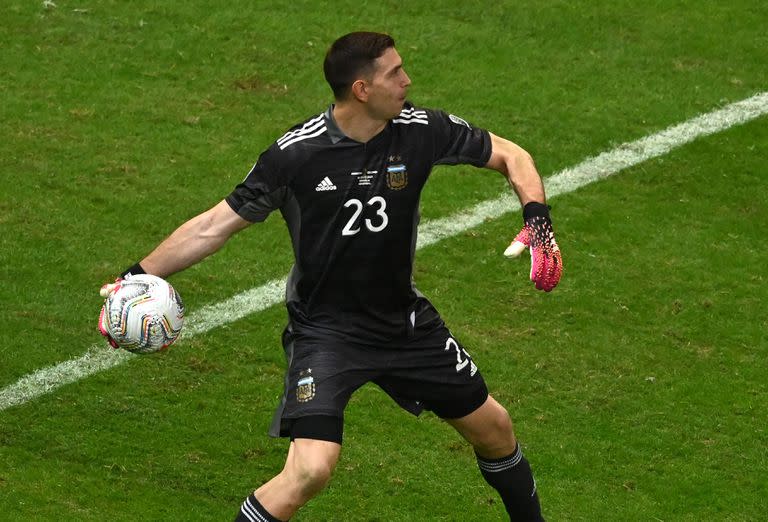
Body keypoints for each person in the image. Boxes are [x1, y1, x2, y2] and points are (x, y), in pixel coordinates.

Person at [101, 31, 562, 521]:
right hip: (327, 332)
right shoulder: (296, 156)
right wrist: (133, 277)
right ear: (362, 89)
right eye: (394, 73)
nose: (407, 81)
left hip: (403, 322)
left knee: (496, 430)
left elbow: (511, 154)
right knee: (310, 471)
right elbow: (213, 227)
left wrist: (538, 220)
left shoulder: (421, 128)